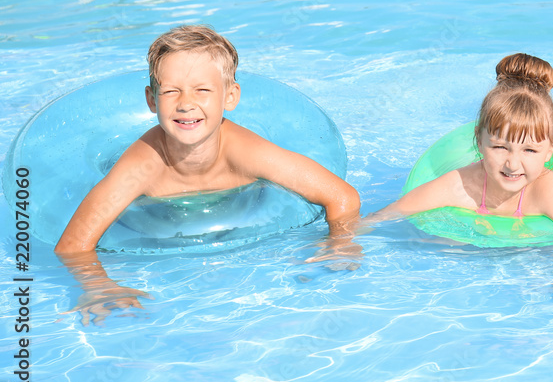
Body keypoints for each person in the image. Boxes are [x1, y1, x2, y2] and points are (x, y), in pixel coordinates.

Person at [55, 25, 361, 323]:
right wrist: (97, 286)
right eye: (171, 91)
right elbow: (73, 245)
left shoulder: (246, 153)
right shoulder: (142, 167)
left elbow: (342, 197)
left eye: (202, 90)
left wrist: (340, 242)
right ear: (151, 99)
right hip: (157, 220)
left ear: (230, 96)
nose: (186, 104)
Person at [364, 53, 553, 273]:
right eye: (500, 147)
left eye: (529, 150)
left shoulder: (549, 191)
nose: (513, 164)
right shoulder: (460, 184)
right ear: (479, 141)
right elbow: (386, 215)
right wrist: (341, 243)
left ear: (549, 150)